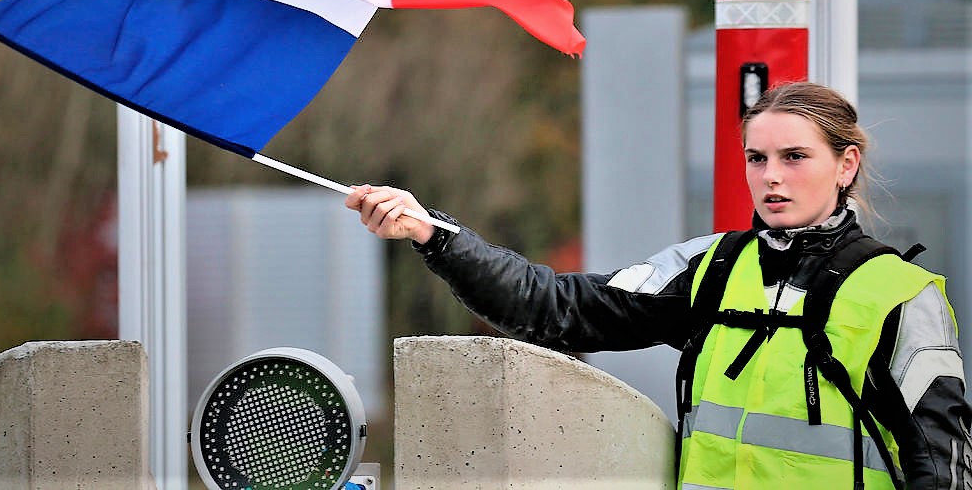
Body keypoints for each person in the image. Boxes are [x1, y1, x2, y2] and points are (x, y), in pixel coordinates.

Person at [346, 81, 971, 489]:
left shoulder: (901, 294)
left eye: (795, 157)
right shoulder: (710, 269)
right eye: (757, 158)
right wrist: (436, 237)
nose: (771, 178)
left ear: (846, 164)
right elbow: (552, 308)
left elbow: (942, 466)